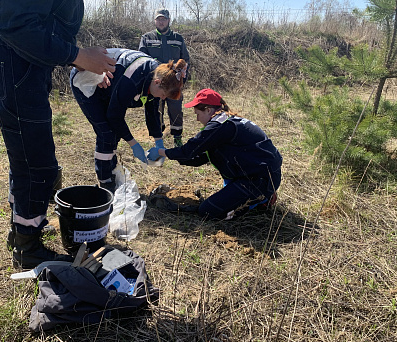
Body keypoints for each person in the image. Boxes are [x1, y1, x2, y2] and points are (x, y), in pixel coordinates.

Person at [0, 0, 117, 269]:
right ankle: (28, 249)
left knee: (26, 155)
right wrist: (78, 55)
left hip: (23, 62)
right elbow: (14, 25)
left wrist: (80, 61)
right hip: (14, 62)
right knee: (36, 163)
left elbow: (42, 23)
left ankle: (22, 229)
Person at [147, 89, 282, 220]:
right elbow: (199, 157)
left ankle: (262, 199)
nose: (197, 119)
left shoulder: (219, 125)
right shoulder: (226, 121)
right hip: (259, 174)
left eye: (197, 114)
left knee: (208, 211)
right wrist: (174, 156)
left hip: (259, 179)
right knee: (218, 202)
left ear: (208, 110)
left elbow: (189, 150)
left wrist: (161, 152)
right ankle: (257, 194)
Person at [69, 49, 187, 193]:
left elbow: (152, 111)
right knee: (106, 134)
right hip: (86, 80)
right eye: (163, 95)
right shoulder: (132, 79)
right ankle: (105, 184)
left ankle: (111, 173)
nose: (163, 98)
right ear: (157, 83)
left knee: (115, 134)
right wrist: (134, 144)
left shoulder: (158, 75)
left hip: (109, 86)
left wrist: (158, 141)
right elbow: (115, 116)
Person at [139, 8, 190, 147]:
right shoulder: (146, 38)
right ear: (155, 21)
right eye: (158, 19)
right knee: (155, 110)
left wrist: (182, 79)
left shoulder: (178, 38)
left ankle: (177, 138)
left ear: (168, 20)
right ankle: (158, 138)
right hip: (156, 83)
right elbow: (141, 59)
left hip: (173, 83)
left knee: (176, 109)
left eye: (164, 19)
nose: (161, 22)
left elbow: (185, 59)